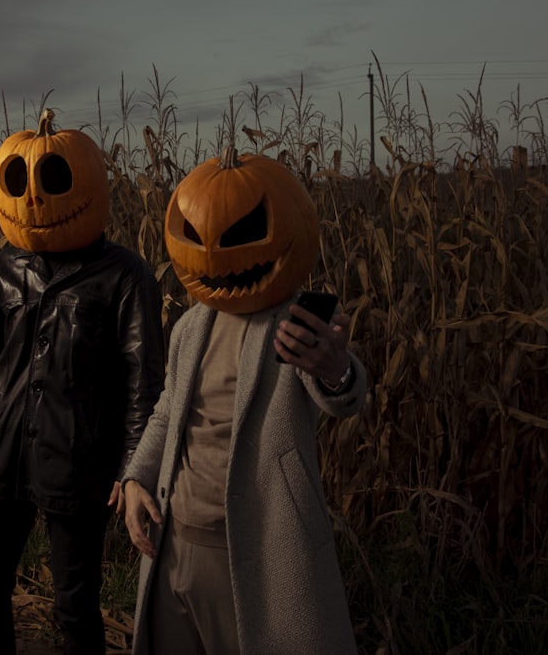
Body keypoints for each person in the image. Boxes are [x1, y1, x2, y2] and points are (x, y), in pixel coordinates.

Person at [0, 110, 165, 655]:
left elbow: (141, 379)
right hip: (2, 455)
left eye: (52, 181)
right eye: (19, 183)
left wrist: (134, 467)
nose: (33, 199)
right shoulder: (1, 271)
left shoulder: (125, 276)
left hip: (79, 459)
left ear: (87, 185)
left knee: (73, 605)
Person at [121, 145, 368, 654]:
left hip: (249, 551)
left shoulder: (296, 324)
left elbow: (344, 394)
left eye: (238, 235)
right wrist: (134, 478)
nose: (214, 254)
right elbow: (169, 410)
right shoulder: (192, 324)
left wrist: (336, 369)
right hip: (172, 540)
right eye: (199, 238)